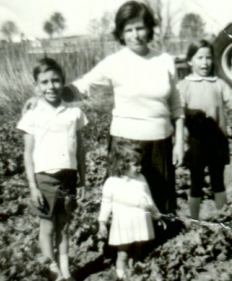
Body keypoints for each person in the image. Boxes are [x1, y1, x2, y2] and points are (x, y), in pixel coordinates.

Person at [60, 0, 184, 215]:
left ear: (149, 28)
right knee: (126, 212)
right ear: (121, 33)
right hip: (125, 145)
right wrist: (50, 96)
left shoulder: (164, 60)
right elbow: (85, 85)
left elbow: (176, 105)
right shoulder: (114, 62)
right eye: (129, 30)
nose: (135, 35)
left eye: (140, 28)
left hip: (160, 144)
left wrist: (180, 141)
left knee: (159, 210)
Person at [17, 58, 88, 281]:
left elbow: (81, 150)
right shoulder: (32, 114)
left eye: (56, 81)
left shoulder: (74, 113)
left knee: (65, 226)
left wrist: (83, 180)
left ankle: (65, 269)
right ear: (37, 86)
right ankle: (52, 271)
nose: (51, 87)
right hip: (44, 178)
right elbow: (28, 153)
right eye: (45, 82)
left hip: (69, 177)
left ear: (63, 82)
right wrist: (32, 187)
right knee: (47, 227)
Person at [178, 40, 232, 220]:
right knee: (196, 181)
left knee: (218, 181)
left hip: (217, 140)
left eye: (208, 58)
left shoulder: (218, 84)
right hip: (195, 141)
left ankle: (222, 218)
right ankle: (194, 220)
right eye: (199, 57)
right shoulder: (184, 86)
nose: (205, 62)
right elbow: (177, 110)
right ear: (189, 62)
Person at [97, 138, 163, 280]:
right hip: (124, 223)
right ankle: (121, 275)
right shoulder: (112, 182)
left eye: (140, 163)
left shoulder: (141, 178)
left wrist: (157, 216)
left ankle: (134, 273)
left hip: (140, 221)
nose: (139, 167)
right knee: (123, 252)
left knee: (139, 250)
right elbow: (106, 203)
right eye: (135, 164)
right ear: (122, 165)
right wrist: (102, 222)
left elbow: (148, 200)